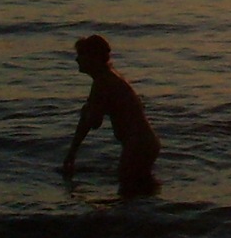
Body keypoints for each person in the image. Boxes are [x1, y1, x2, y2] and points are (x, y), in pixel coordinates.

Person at [62, 34, 162, 192]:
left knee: (128, 193)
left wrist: (86, 112)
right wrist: (72, 152)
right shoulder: (105, 78)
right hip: (144, 143)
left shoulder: (103, 82)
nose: (77, 59)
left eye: (81, 54)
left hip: (137, 144)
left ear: (93, 57)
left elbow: (94, 123)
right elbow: (88, 121)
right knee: (140, 191)